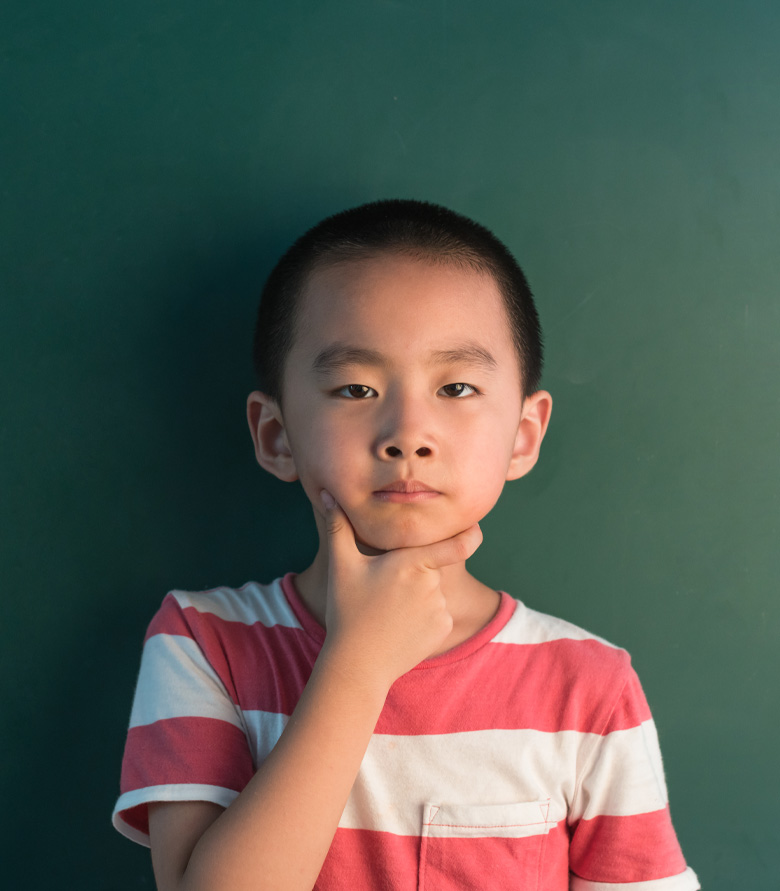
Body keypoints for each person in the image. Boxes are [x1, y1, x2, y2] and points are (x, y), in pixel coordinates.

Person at [112, 199, 700, 890]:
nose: (409, 432)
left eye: (456, 386)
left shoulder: (588, 685)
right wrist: (358, 661)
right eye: (356, 387)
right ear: (276, 436)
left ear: (523, 433)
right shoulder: (203, 641)